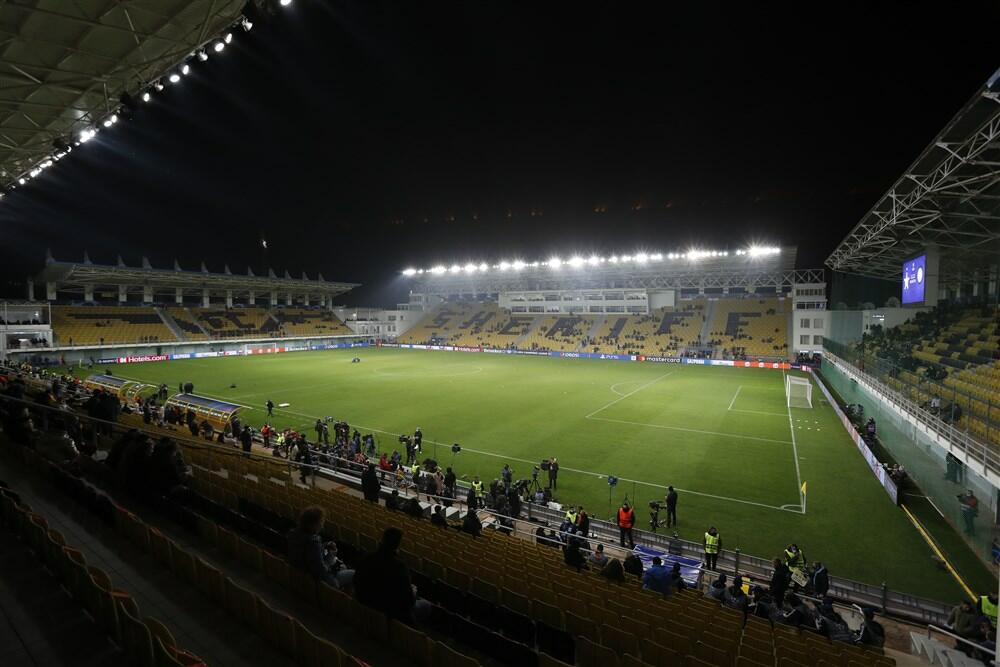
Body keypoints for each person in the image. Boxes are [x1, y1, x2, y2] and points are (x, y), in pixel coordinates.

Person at [354, 528, 430, 624]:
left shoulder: (367, 558)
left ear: (383, 540)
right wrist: (413, 593)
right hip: (391, 613)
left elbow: (356, 581)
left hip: (366, 605)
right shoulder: (399, 567)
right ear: (398, 545)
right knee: (426, 605)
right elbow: (408, 601)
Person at [287, 506, 353, 589]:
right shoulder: (313, 541)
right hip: (318, 580)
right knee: (353, 573)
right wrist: (331, 555)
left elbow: (307, 553)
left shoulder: (293, 534)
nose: (322, 526)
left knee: (342, 566)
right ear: (314, 524)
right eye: (320, 522)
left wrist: (323, 546)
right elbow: (321, 570)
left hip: (300, 573)